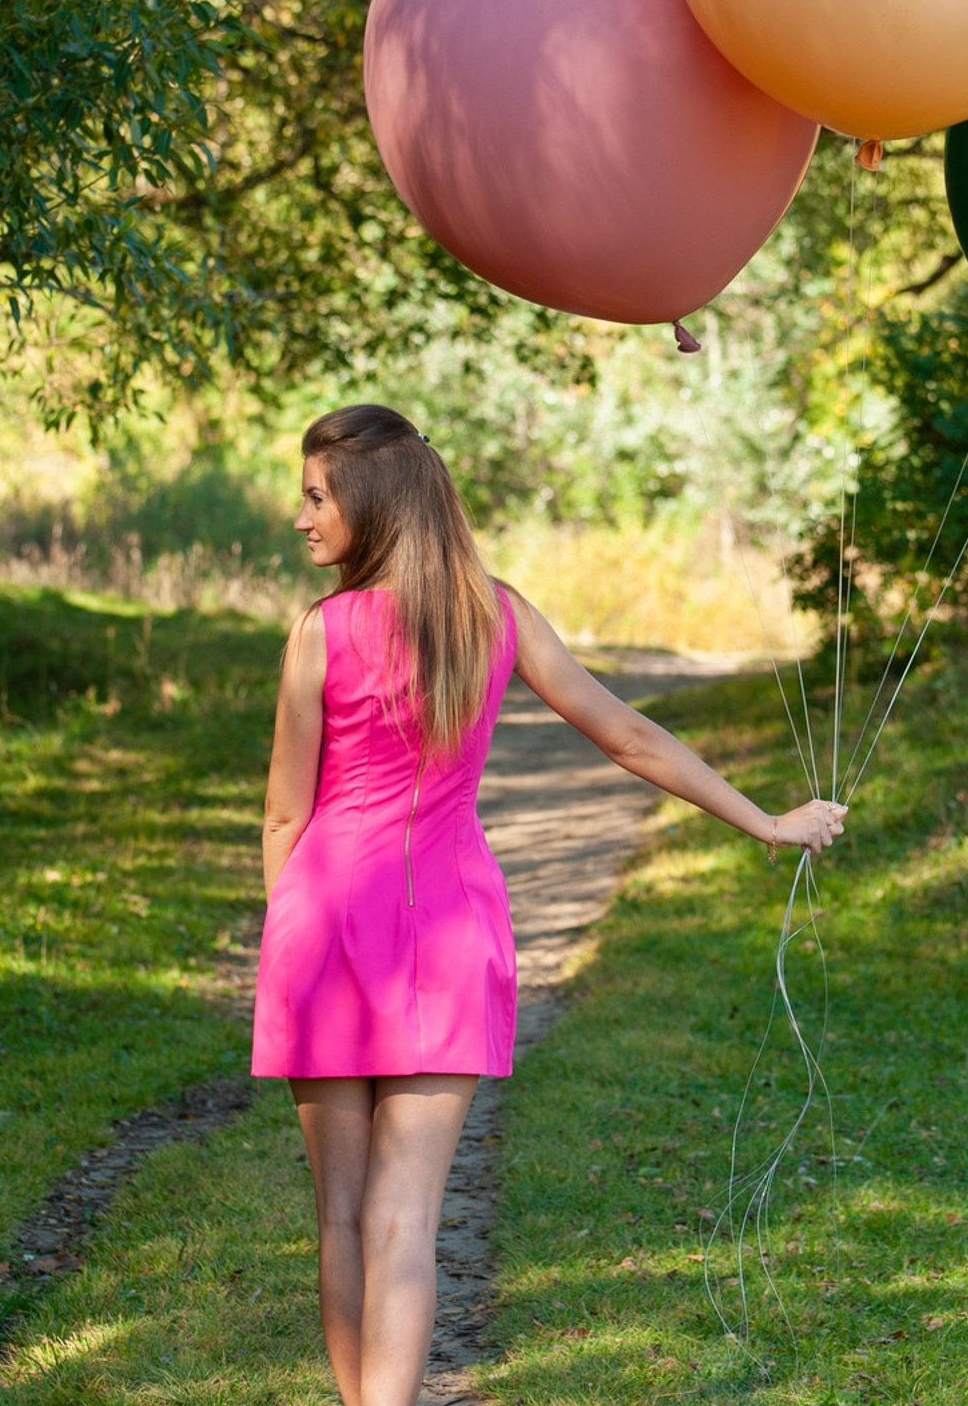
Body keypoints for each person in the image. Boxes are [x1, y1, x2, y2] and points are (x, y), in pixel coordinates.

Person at [252, 404, 846, 1406]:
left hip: (327, 935)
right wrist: (765, 822)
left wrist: (290, 942)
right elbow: (627, 735)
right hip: (448, 934)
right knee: (405, 1219)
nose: (301, 517)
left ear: (372, 500)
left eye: (316, 497)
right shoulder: (495, 616)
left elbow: (283, 815)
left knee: (342, 1217)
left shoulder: (319, 633)